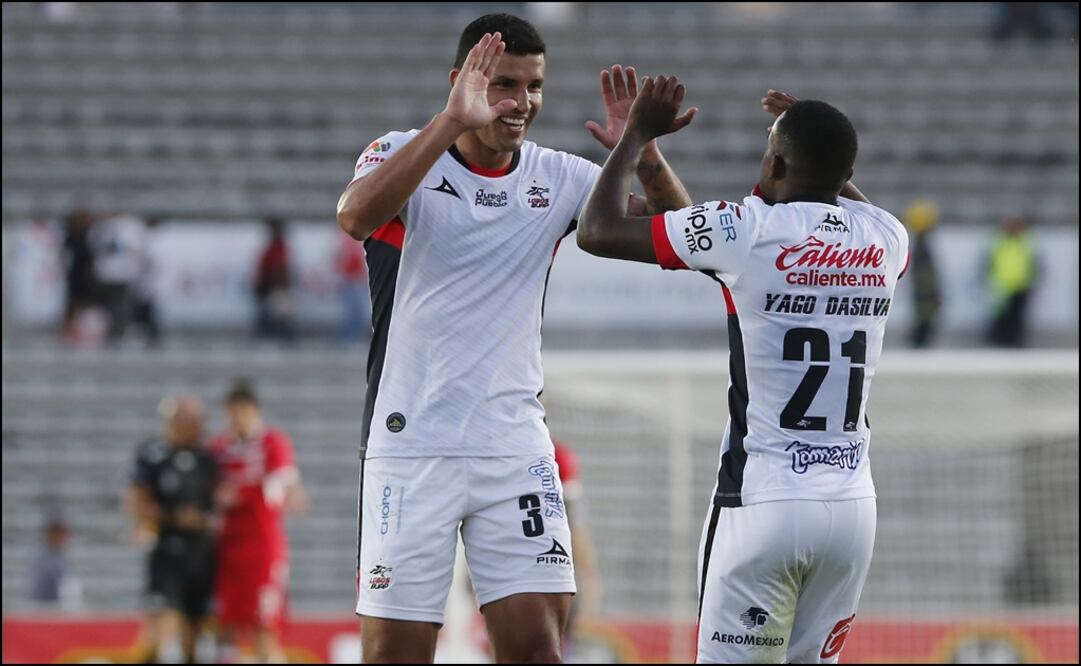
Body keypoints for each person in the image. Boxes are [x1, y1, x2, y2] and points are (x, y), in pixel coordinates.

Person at [336, 13, 692, 663]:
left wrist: (641, 152)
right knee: (394, 655)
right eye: (504, 84)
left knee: (537, 651)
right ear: (461, 81)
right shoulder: (399, 152)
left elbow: (680, 236)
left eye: (533, 86)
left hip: (513, 449)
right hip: (412, 445)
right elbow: (355, 214)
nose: (520, 102)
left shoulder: (557, 178)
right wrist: (450, 121)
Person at [577, 86, 909, 663]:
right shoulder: (886, 238)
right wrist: (811, 136)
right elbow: (836, 187)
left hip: (765, 502)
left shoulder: (749, 229)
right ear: (846, 173)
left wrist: (636, 138)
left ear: (776, 162)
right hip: (852, 510)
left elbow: (597, 231)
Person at [210, 379, 308, 663]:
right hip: (228, 549)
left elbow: (285, 482)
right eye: (231, 413)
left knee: (265, 624)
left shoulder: (272, 442)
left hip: (263, 547)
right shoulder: (218, 447)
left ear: (255, 411)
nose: (236, 419)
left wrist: (290, 493)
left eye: (241, 412)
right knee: (226, 621)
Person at [126, 395, 218, 664]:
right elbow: (137, 502)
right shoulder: (152, 455)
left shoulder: (208, 458)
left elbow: (218, 502)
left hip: (201, 553)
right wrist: (175, 518)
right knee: (163, 623)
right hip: (166, 550)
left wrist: (204, 519)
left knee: (195, 629)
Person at [985, 215, 1039, 348]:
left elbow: (1034, 264)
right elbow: (989, 263)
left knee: (1017, 318)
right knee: (1001, 318)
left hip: (1021, 286)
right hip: (1002, 287)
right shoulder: (998, 242)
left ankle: (1015, 344)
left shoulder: (1027, 242)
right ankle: (1000, 344)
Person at [903, 200, 942, 348]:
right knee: (925, 320)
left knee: (924, 319)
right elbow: (925, 272)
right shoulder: (922, 244)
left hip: (922, 290)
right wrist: (932, 291)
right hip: (924, 291)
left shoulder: (919, 243)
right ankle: (918, 344)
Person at [253, 217, 297, 344]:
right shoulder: (275, 248)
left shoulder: (278, 248)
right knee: (274, 315)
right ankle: (273, 339)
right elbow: (275, 269)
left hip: (275, 286)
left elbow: (279, 269)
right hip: (271, 286)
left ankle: (279, 339)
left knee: (279, 315)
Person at [28, 516, 82, 609]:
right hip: (44, 608)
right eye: (62, 535)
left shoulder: (59, 557)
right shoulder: (44, 559)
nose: (65, 540)